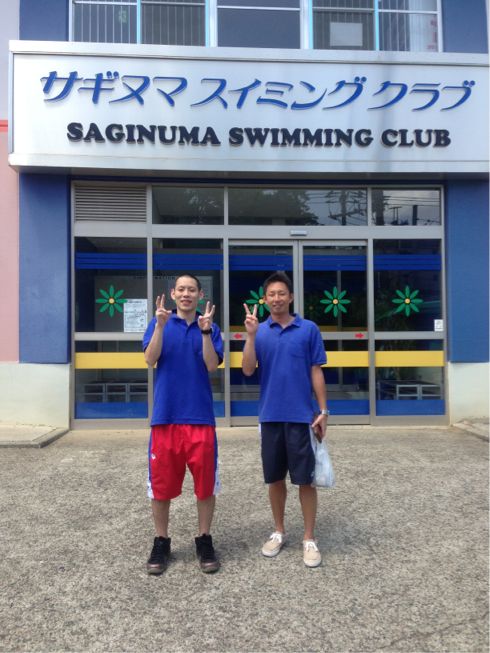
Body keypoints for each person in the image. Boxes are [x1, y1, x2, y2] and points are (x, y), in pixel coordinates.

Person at [242, 271, 328, 568]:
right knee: (275, 478)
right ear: (265, 299)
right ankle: (279, 531)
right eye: (271, 294)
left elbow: (316, 370)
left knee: (306, 480)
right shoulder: (259, 331)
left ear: (290, 297)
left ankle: (309, 537)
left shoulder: (308, 329)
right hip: (270, 416)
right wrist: (250, 336)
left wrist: (323, 411)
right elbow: (248, 369)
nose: (276, 298)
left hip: (302, 417)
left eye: (281, 293)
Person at [143, 274, 223, 575]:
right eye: (181, 289)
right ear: (173, 294)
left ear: (200, 295)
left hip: (200, 418)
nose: (186, 294)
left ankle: (204, 539)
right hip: (166, 417)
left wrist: (205, 332)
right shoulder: (159, 323)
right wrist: (159, 326)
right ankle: (161, 541)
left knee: (205, 485)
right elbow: (150, 359)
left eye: (191, 290)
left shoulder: (210, 327)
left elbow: (212, 365)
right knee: (161, 486)